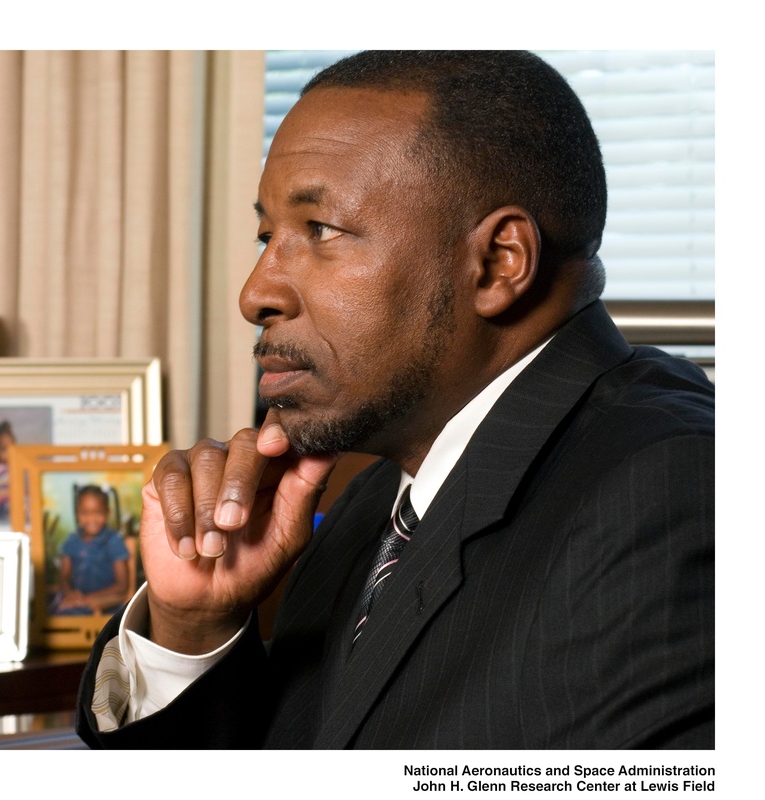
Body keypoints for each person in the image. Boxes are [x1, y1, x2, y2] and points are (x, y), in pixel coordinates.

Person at [76, 51, 714, 749]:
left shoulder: (671, 491)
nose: (256, 293)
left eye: (320, 231)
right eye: (267, 236)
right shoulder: (376, 495)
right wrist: (191, 626)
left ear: (501, 263)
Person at [51, 486, 131, 615]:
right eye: (85, 513)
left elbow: (122, 585)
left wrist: (88, 599)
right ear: (78, 513)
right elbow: (63, 578)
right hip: (74, 601)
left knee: (70, 614)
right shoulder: (72, 541)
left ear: (107, 513)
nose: (91, 519)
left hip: (104, 603)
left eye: (98, 513)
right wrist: (70, 593)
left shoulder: (113, 541)